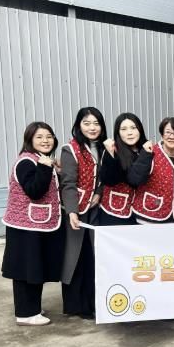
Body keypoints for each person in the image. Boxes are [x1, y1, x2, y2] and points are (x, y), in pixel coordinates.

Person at [1, 122, 64, 326]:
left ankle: (32, 308)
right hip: (25, 227)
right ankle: (25, 314)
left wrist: (55, 171)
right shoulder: (26, 162)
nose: (45, 140)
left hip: (37, 223)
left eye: (49, 136)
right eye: (39, 137)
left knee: (35, 267)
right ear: (29, 140)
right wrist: (45, 167)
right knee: (25, 269)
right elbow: (35, 191)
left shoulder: (40, 159)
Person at [59, 107, 107, 319]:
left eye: (96, 123)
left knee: (93, 256)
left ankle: (93, 302)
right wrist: (71, 212)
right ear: (79, 126)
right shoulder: (70, 149)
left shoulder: (105, 147)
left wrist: (98, 193)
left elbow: (105, 177)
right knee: (75, 256)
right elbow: (68, 183)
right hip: (76, 211)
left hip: (96, 209)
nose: (92, 128)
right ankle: (75, 305)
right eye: (87, 123)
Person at [130, 117, 174, 223]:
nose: (171, 136)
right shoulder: (150, 152)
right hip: (148, 215)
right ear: (162, 135)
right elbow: (135, 179)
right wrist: (145, 155)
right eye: (168, 132)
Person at [98, 113, 150, 226]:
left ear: (140, 130)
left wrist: (146, 153)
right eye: (124, 129)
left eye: (133, 128)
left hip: (142, 213)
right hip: (115, 212)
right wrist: (111, 154)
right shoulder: (112, 149)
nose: (129, 133)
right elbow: (109, 180)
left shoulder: (146, 149)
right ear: (118, 132)